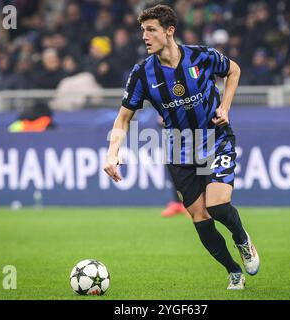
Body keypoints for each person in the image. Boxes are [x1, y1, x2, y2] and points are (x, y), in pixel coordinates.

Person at [103, 4, 259, 290]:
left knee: (219, 206)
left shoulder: (201, 56)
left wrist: (225, 106)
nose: (145, 36)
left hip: (216, 139)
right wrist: (112, 152)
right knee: (200, 218)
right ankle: (233, 270)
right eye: (143, 31)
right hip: (179, 151)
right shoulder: (141, 74)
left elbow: (233, 70)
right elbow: (123, 118)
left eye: (151, 30)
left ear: (169, 31)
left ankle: (242, 239)